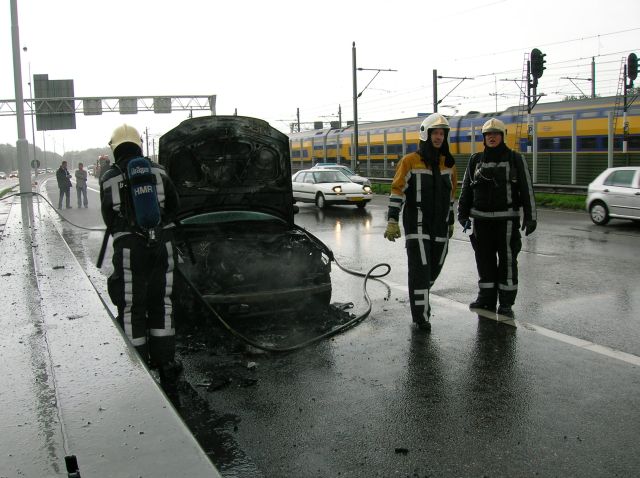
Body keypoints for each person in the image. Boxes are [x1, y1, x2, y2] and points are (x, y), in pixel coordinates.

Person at [99, 124, 182, 388]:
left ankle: (137, 366)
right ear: (138, 145)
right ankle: (166, 360)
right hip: (163, 246)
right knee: (163, 301)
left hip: (128, 248)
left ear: (115, 148)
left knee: (132, 304)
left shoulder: (109, 176)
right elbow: (174, 205)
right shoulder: (158, 171)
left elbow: (108, 217)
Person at [384, 113, 458, 332]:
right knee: (420, 268)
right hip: (417, 223)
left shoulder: (449, 164)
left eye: (442, 133)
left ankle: (421, 293)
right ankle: (421, 318)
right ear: (426, 134)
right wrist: (392, 219)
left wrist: (451, 220)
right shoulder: (410, 161)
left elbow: (452, 194)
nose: (438, 137)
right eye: (435, 133)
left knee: (434, 267)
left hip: (440, 224)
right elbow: (398, 189)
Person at [457, 118, 537, 319]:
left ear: (502, 136)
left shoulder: (515, 159)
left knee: (508, 264)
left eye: (496, 134)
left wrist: (530, 217)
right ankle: (486, 299)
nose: (492, 137)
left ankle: (506, 304)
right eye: (488, 135)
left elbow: (527, 189)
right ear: (484, 138)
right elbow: (466, 188)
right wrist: (462, 214)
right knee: (484, 263)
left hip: (506, 223)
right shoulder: (475, 159)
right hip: (481, 223)